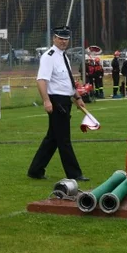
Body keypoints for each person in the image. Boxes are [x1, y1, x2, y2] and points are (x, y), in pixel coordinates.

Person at [27, 27, 89, 182]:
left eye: (66, 39)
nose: (63, 42)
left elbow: (66, 80)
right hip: (56, 101)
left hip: (65, 100)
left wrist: (77, 96)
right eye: (60, 38)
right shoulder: (49, 56)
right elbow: (41, 80)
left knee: (53, 139)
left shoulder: (63, 56)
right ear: (54, 38)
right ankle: (74, 173)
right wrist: (46, 100)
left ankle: (35, 170)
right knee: (63, 139)